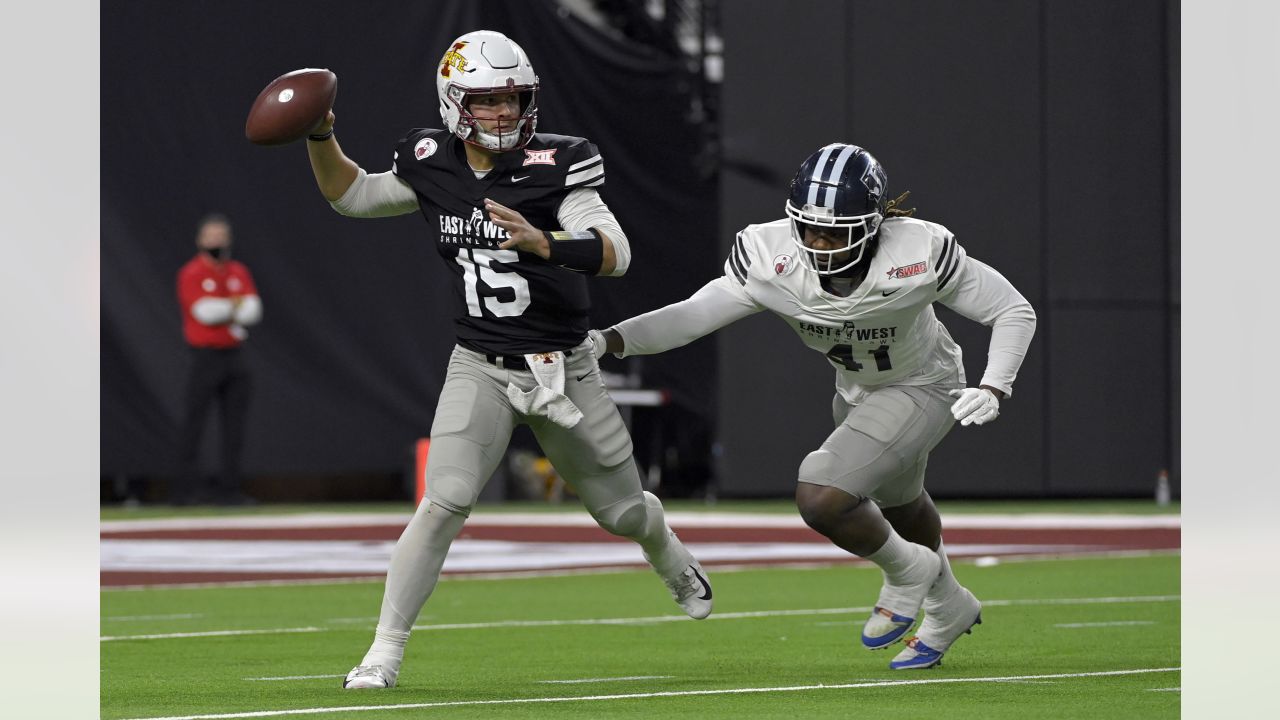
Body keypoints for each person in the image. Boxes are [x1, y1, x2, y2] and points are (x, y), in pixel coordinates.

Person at [302, 30, 713, 690]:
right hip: (482, 364)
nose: (502, 114)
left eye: (513, 100)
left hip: (564, 368)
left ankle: (663, 546)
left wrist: (544, 243)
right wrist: (320, 138)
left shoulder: (558, 163)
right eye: (488, 101)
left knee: (622, 514)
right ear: (454, 102)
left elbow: (616, 249)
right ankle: (384, 650)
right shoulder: (431, 158)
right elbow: (353, 196)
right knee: (443, 503)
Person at [590, 143, 1036, 670]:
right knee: (901, 504)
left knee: (822, 493)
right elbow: (693, 316)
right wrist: (609, 340)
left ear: (873, 224)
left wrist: (994, 386)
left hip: (925, 384)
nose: (820, 243)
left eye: (837, 231)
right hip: (854, 391)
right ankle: (949, 606)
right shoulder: (769, 255)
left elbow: (1012, 309)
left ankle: (908, 572)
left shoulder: (916, 252)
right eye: (809, 229)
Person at [174, 213, 263, 506]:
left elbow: (254, 311)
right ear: (200, 240)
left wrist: (226, 308)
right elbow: (204, 312)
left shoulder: (238, 271)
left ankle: (230, 490)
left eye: (221, 236)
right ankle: (186, 490)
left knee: (234, 427)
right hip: (205, 356)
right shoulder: (192, 272)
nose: (217, 242)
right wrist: (234, 306)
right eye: (211, 236)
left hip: (235, 356)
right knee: (194, 424)